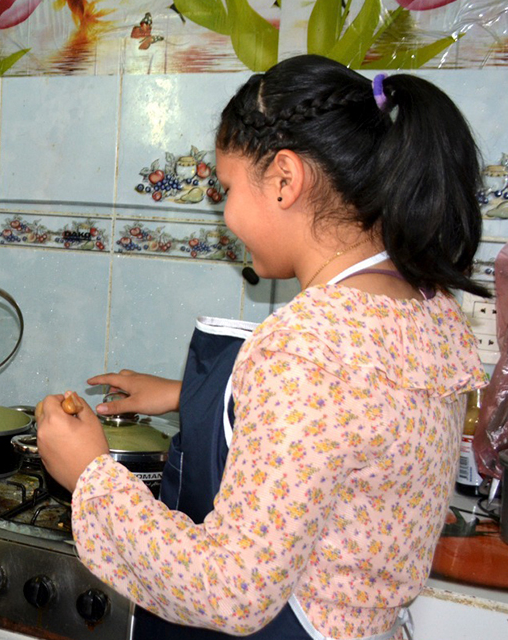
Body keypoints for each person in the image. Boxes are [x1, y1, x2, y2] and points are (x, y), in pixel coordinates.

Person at [36, 54, 488, 640]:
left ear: (283, 180)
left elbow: (229, 591)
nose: (224, 215)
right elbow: (350, 428)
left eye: (225, 188)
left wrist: (92, 476)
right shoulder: (426, 308)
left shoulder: (305, 345)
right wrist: (190, 396)